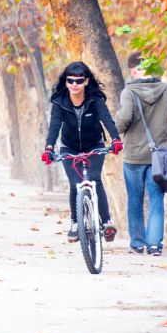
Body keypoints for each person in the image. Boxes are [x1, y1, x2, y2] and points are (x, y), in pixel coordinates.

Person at [115, 52, 167, 256]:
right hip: (159, 155)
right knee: (156, 199)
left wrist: (116, 128)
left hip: (133, 156)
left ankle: (137, 244)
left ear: (132, 70)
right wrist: (166, 131)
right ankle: (154, 245)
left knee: (135, 200)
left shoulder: (128, 92)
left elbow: (124, 118)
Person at [42, 61, 123, 244]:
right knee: (75, 183)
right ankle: (75, 223)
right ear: (65, 82)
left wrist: (115, 139)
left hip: (94, 144)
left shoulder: (95, 99)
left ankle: (106, 222)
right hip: (69, 147)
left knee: (94, 178)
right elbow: (55, 126)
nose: (74, 85)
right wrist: (49, 147)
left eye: (79, 81)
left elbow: (106, 119)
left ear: (86, 81)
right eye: (70, 81)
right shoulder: (59, 101)